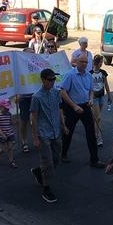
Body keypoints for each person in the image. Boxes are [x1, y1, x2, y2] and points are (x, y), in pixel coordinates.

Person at [30, 68, 68, 203]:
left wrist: (63, 125)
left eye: (54, 79)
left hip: (55, 131)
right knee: (48, 162)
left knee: (56, 158)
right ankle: (46, 188)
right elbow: (33, 118)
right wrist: (35, 137)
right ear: (43, 80)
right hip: (43, 133)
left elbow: (58, 109)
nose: (52, 82)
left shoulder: (55, 93)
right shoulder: (36, 97)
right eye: (50, 80)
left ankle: (39, 172)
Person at [60, 55, 104, 168]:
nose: (84, 64)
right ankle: (63, 154)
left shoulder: (89, 75)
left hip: (85, 106)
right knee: (68, 132)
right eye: (82, 62)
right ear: (76, 62)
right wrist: (74, 106)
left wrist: (90, 99)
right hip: (72, 107)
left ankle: (94, 159)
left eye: (86, 62)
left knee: (91, 133)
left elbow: (91, 91)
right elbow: (63, 92)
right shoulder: (70, 75)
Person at [90, 54, 113, 147]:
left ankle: (92, 131)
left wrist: (109, 95)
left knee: (96, 117)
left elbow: (106, 85)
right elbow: (88, 87)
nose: (102, 63)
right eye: (100, 62)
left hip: (101, 96)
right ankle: (98, 137)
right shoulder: (90, 74)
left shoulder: (103, 73)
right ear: (96, 63)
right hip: (94, 97)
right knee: (98, 118)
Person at [0, 98, 17, 168]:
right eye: (6, 108)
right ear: (1, 107)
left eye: (8, 108)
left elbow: (11, 122)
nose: (7, 109)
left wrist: (15, 121)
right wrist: (2, 134)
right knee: (3, 149)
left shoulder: (9, 114)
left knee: (10, 148)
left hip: (9, 133)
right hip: (2, 134)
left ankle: (11, 161)